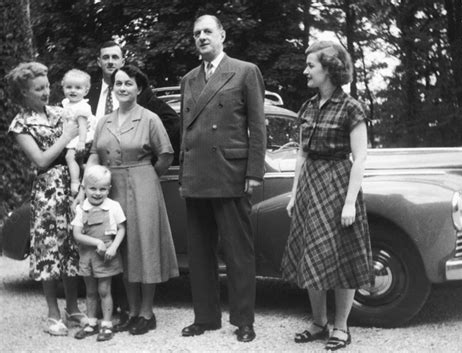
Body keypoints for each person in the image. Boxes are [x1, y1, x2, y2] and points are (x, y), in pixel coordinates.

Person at [281, 41, 373, 351]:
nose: (305, 70)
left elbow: (359, 158)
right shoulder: (307, 107)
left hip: (337, 185)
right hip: (310, 187)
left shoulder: (351, 107)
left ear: (329, 69)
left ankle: (342, 327)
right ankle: (319, 323)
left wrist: (349, 202)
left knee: (341, 257)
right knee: (312, 254)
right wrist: (294, 194)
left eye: (311, 66)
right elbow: (301, 155)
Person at [179, 15, 266, 343]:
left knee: (238, 252)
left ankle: (244, 320)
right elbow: (188, 131)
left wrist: (254, 171)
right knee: (200, 253)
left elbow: (257, 126)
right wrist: (184, 172)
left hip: (230, 173)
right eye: (196, 33)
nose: (201, 37)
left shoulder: (245, 71)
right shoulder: (188, 79)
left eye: (207, 32)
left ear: (222, 36)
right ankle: (205, 317)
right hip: (196, 175)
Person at [81, 64, 179, 336]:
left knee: (144, 247)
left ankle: (147, 313)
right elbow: (94, 153)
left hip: (143, 185)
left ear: (139, 88)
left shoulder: (149, 118)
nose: (122, 88)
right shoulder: (104, 121)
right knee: (121, 249)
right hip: (111, 189)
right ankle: (132, 310)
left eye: (128, 84)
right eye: (118, 84)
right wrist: (87, 180)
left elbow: (166, 155)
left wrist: (146, 176)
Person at [6, 62, 85, 336]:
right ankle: (53, 312)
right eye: (38, 89)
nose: (45, 92)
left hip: (71, 185)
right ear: (24, 94)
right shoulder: (20, 123)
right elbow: (41, 160)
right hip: (48, 188)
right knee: (49, 249)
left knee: (71, 246)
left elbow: (81, 139)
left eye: (46, 86)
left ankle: (73, 309)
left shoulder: (60, 112)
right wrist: (65, 137)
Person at [87, 41, 180, 164]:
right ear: (99, 62)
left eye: (115, 57)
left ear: (123, 62)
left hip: (131, 168)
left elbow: (173, 123)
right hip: (95, 168)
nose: (110, 61)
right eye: (105, 57)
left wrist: (146, 153)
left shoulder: (140, 93)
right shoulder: (88, 93)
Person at [72, 165, 126, 342]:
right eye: (92, 188)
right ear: (85, 188)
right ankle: (91, 322)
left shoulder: (113, 206)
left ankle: (107, 324)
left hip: (105, 256)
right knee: (90, 291)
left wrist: (113, 247)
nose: (97, 193)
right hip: (88, 256)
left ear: (109, 189)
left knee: (104, 290)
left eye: (103, 189)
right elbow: (77, 234)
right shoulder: (82, 208)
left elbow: (121, 229)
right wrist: (97, 242)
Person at [61, 69, 97, 196]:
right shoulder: (67, 104)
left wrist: (81, 142)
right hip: (73, 137)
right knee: (78, 161)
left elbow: (83, 127)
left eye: (78, 88)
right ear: (63, 88)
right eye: (69, 87)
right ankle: (84, 174)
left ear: (86, 91)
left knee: (69, 157)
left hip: (82, 138)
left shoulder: (81, 107)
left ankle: (75, 182)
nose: (73, 91)